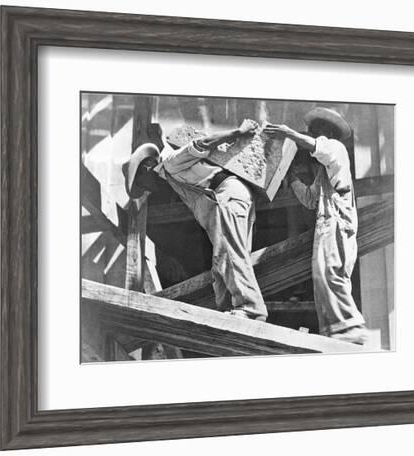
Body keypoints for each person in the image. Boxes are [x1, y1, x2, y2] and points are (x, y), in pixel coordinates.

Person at [124, 120, 268, 322]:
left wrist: (238, 131)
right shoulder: (171, 177)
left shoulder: (171, 163)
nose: (147, 188)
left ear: (147, 167)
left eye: (142, 183)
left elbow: (204, 143)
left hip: (226, 197)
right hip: (229, 199)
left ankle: (250, 308)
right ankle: (229, 310)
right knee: (221, 261)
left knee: (229, 252)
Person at [264, 107, 369, 345]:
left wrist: (289, 133)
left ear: (327, 130)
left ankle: (349, 325)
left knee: (331, 273)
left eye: (316, 130)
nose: (313, 133)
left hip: (336, 221)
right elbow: (311, 199)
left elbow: (316, 146)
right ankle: (334, 330)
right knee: (322, 277)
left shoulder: (336, 149)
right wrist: (292, 179)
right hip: (327, 221)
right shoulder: (325, 169)